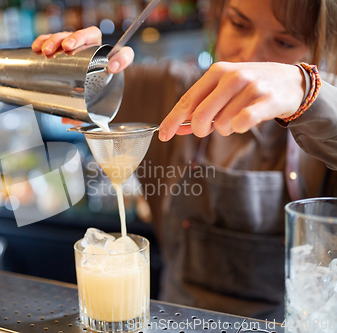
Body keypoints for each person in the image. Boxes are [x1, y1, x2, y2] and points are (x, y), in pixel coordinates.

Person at [32, 0, 337, 321]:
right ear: (218, 18)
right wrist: (72, 66)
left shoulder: (321, 125)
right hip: (171, 322)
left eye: (285, 42)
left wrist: (306, 92)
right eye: (240, 24)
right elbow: (78, 90)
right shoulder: (168, 91)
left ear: (317, 48)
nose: (251, 53)